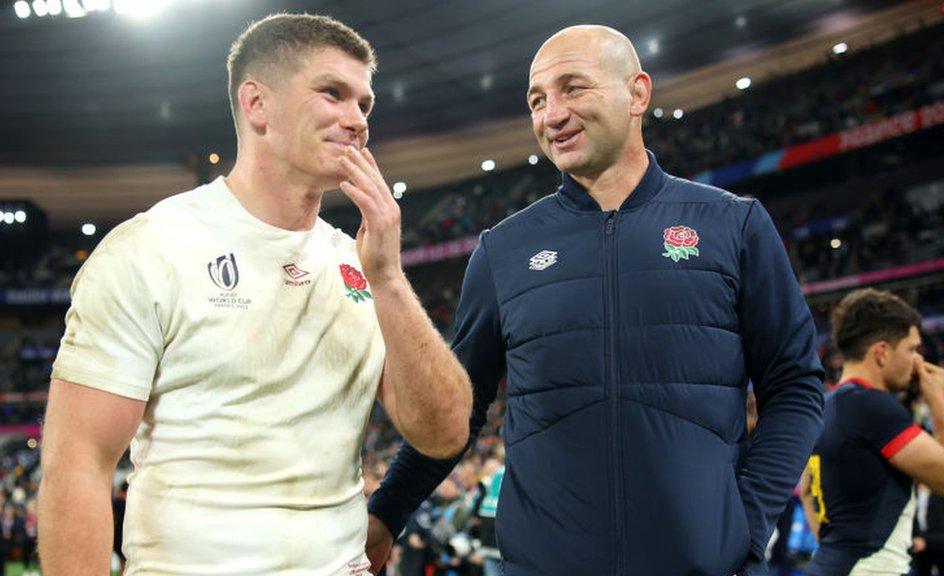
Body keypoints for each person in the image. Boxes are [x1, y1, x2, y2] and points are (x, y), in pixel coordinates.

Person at [366, 25, 824, 576]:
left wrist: (745, 526)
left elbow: (795, 386)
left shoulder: (734, 224)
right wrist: (386, 515)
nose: (551, 115)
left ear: (637, 93)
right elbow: (456, 408)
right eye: (537, 100)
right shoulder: (503, 250)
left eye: (573, 88)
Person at [37, 13, 472, 576]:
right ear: (257, 104)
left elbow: (443, 433)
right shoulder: (151, 249)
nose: (357, 120)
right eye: (332, 93)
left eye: (365, 104)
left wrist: (388, 278)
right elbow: (78, 465)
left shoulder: (357, 261)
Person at [800, 288, 944, 575]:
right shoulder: (873, 406)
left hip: (832, 564)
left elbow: (806, 492)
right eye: (911, 349)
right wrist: (938, 400)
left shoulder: (827, 405)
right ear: (881, 352)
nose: (917, 360)